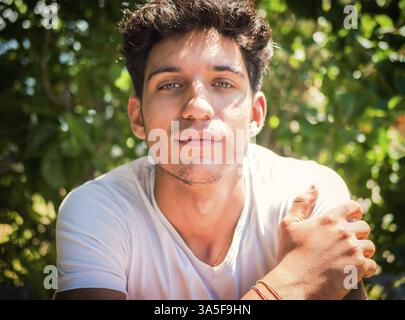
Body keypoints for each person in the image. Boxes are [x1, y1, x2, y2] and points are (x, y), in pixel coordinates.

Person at [55, 0, 376, 300]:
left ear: (255, 114)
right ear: (138, 117)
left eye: (223, 83)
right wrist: (288, 284)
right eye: (169, 84)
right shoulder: (99, 210)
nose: (196, 107)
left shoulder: (309, 195)